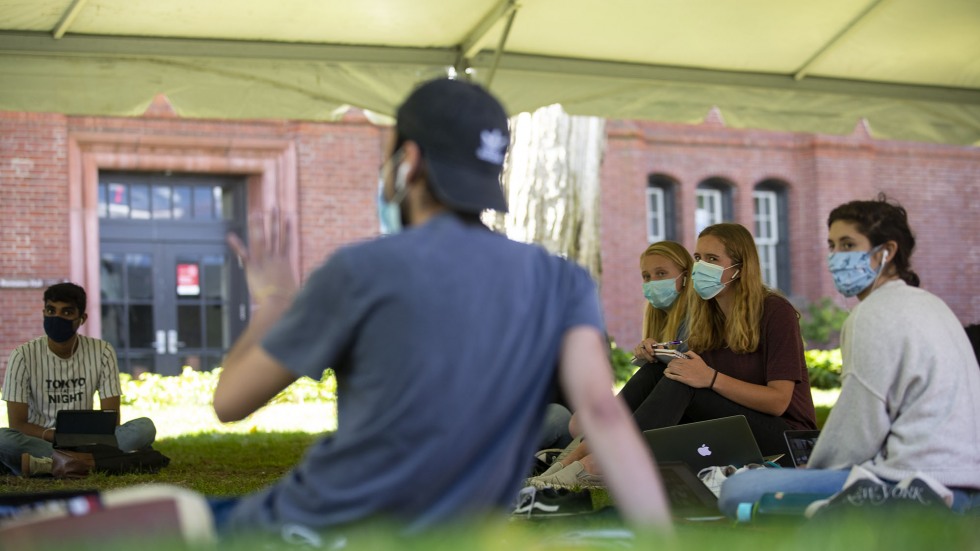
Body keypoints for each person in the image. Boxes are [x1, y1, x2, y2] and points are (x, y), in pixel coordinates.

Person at [209, 78, 671, 538]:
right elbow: (602, 414)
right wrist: (662, 539)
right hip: (467, 531)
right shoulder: (563, 281)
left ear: (408, 161)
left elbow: (230, 402)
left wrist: (274, 302)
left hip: (320, 526)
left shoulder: (357, 270)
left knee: (163, 512)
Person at [718, 195, 980, 517]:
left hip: (916, 483)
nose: (836, 257)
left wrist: (812, 470)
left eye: (847, 245)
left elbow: (860, 424)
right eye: (832, 246)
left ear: (887, 252)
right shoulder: (931, 304)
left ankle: (811, 512)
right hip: (966, 480)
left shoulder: (871, 314)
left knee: (738, 489)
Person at [615, 224, 816, 466]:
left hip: (789, 439)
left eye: (712, 259)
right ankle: (583, 456)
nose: (701, 267)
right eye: (698, 258)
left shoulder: (775, 311)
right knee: (660, 371)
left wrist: (711, 378)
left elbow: (777, 402)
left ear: (739, 268)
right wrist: (658, 354)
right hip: (733, 426)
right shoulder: (708, 316)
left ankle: (611, 461)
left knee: (684, 383)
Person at [530, 240, 694, 488]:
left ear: (686, 275)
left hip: (578, 415)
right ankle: (567, 464)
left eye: (661, 274)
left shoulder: (582, 329)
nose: (652, 283)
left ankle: (584, 463)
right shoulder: (660, 317)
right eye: (646, 277)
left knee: (560, 417)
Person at [0, 282, 157, 476]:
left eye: (66, 313)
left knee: (144, 428)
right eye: (51, 310)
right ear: (43, 312)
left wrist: (84, 438)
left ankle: (49, 464)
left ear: (82, 319)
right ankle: (97, 462)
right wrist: (53, 435)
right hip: (41, 439)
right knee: (3, 439)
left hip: (90, 439)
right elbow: (17, 424)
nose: (56, 317)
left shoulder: (102, 352)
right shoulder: (22, 355)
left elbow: (112, 419)